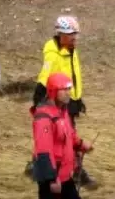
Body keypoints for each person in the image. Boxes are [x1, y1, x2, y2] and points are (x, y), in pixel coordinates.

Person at [30, 16, 97, 189]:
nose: (74, 37)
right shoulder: (53, 53)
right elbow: (45, 76)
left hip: (69, 100)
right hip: (59, 102)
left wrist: (77, 98)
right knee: (66, 137)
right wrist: (39, 99)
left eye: (75, 34)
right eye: (70, 34)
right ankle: (75, 172)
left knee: (63, 137)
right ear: (60, 34)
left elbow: (74, 75)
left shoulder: (71, 49)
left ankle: (36, 166)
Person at [30, 73, 91, 199]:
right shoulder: (44, 118)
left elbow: (69, 135)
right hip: (52, 177)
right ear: (52, 92)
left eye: (68, 89)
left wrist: (81, 145)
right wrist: (52, 179)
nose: (68, 93)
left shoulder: (62, 111)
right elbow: (44, 151)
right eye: (63, 90)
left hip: (64, 175)